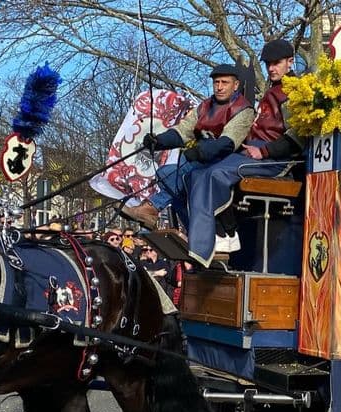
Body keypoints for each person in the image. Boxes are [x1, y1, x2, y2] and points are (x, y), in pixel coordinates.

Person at [128, 39, 304, 267]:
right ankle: (202, 233)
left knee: (210, 174)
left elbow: (298, 135)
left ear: (290, 62)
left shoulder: (292, 92)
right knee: (182, 174)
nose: (271, 68)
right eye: (268, 63)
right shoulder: (265, 92)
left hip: (274, 161)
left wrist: (265, 151)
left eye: (276, 63)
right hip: (251, 154)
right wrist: (158, 141)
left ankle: (221, 236)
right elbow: (183, 131)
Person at [123, 64, 255, 227]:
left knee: (181, 174)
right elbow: (183, 131)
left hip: (226, 161)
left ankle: (152, 208)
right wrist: (158, 141)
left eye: (224, 82)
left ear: (236, 85)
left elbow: (228, 142)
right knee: (165, 173)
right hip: (201, 157)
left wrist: (200, 152)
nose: (219, 87)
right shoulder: (205, 106)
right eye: (216, 82)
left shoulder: (244, 109)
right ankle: (187, 224)